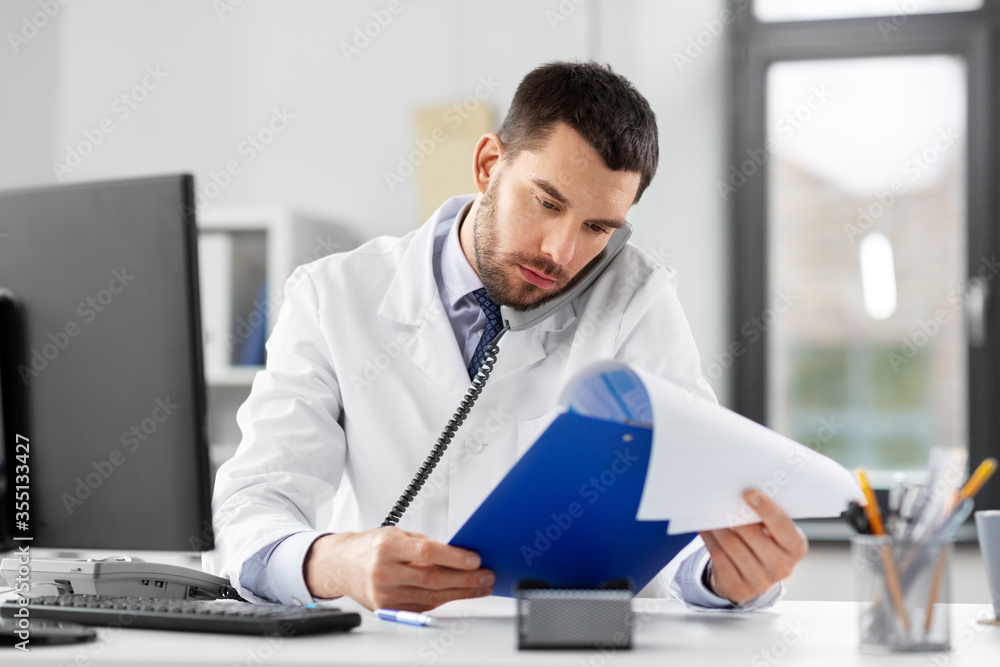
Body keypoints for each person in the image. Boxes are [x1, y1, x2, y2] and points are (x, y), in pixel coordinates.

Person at [203, 60, 808, 612]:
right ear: (489, 165)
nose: (561, 252)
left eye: (598, 227)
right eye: (547, 203)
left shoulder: (637, 299)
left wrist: (726, 575)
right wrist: (333, 562)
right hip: (384, 640)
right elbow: (253, 503)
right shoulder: (333, 295)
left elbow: (690, 507)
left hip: (565, 643)